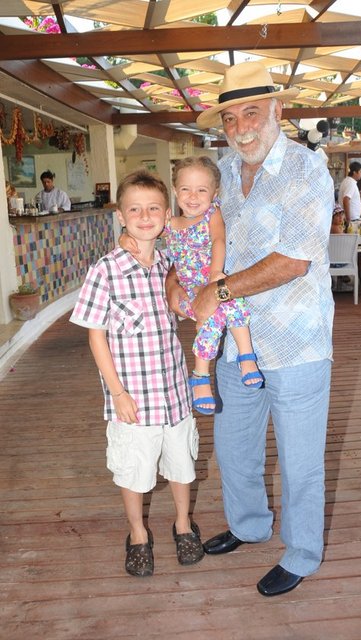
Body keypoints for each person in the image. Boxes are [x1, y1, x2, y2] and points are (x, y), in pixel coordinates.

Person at [166, 61, 335, 597]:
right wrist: (174, 280)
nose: (240, 127)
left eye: (252, 113)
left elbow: (295, 260)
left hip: (296, 342)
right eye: (230, 118)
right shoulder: (216, 174)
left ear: (277, 111)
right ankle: (249, 525)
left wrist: (214, 292)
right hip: (233, 343)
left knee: (300, 461)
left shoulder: (307, 170)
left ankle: (302, 552)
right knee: (235, 449)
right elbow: (189, 239)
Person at [70, 169, 204, 578]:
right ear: (120, 216)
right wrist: (117, 393)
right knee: (134, 471)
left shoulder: (170, 265)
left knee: (182, 465)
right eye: (134, 210)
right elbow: (96, 336)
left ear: (166, 214)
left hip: (174, 392)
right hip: (132, 399)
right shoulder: (105, 270)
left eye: (153, 209)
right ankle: (138, 534)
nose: (145, 217)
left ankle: (183, 524)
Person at [167, 156, 264, 415]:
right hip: (189, 291)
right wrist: (126, 236)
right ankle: (202, 374)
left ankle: (241, 358)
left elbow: (218, 240)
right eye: (185, 189)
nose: (193, 196)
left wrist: (215, 273)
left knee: (231, 300)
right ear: (175, 190)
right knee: (211, 316)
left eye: (201, 190)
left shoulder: (212, 214)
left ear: (214, 193)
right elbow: (142, 232)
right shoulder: (169, 224)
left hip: (212, 279)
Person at [338, 161, 361, 228]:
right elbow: (346, 199)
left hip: (351, 218)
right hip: (352, 220)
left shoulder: (348, 181)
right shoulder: (351, 183)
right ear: (354, 172)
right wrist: (348, 219)